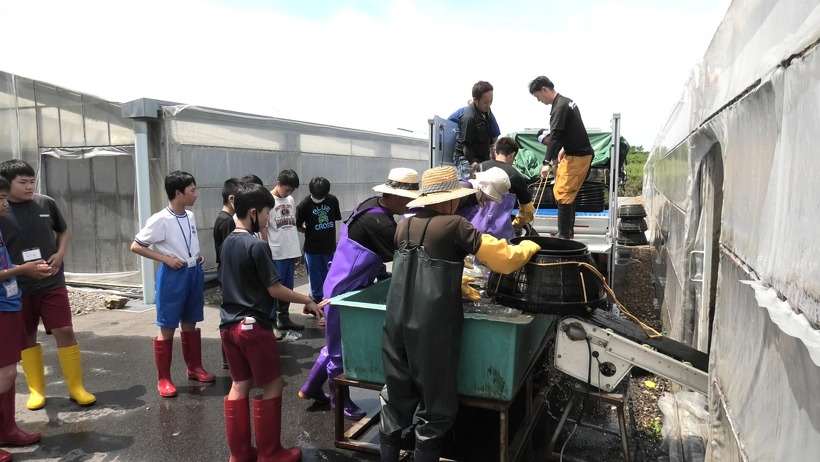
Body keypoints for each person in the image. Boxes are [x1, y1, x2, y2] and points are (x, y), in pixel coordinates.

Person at [378, 166, 540, 462]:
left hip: (395, 322)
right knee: (436, 406)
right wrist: (528, 247)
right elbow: (503, 260)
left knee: (395, 395)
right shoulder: (455, 225)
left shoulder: (404, 225)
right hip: (432, 328)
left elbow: (418, 265)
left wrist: (455, 276)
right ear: (452, 199)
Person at [299, 167, 420, 421]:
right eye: (408, 199)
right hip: (342, 292)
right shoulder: (381, 225)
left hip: (341, 281)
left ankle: (309, 388)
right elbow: (404, 256)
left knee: (334, 343)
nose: (409, 204)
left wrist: (380, 274)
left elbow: (369, 249)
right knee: (339, 351)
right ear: (395, 196)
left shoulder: (371, 205)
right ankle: (338, 401)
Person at [218, 182, 326, 462]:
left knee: (239, 384)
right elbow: (274, 289)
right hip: (254, 328)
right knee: (274, 384)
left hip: (228, 326)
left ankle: (240, 454)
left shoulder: (228, 242)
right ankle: (270, 453)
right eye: (267, 213)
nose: (268, 219)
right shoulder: (256, 246)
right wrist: (307, 300)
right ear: (254, 212)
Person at [0, 160, 96, 410]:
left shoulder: (46, 203)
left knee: (65, 329)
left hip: (52, 280)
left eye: (32, 181)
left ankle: (76, 388)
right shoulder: (2, 210)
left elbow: (63, 231)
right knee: (27, 336)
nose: (29, 186)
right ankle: (36, 390)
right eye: (23, 182)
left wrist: (60, 254)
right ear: (6, 184)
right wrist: (21, 270)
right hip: (18, 286)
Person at [130, 170, 215, 398]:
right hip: (173, 275)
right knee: (167, 325)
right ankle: (164, 378)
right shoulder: (160, 219)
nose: (196, 194)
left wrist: (197, 254)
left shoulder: (190, 216)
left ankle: (194, 368)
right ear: (178, 193)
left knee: (190, 321)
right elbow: (136, 246)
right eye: (192, 190)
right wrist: (165, 259)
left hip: (193, 272)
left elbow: (189, 242)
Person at [0, 176, 50, 460]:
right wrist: (22, 270)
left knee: (8, 369)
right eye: (1, 198)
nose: (6, 203)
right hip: (2, 306)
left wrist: (23, 267)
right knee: (5, 373)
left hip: (9, 303)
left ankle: (7, 428)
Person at [530, 76, 593, 239]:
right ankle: (567, 232)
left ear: (544, 90)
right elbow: (573, 129)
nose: (538, 100)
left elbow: (555, 137)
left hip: (578, 155)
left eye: (537, 96)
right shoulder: (566, 102)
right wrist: (565, 148)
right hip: (575, 153)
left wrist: (546, 163)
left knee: (564, 192)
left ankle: (564, 235)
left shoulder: (559, 107)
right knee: (564, 191)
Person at [474, 137, 536, 240]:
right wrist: (516, 224)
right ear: (512, 155)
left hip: (475, 227)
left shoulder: (480, 168)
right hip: (500, 232)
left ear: (496, 152)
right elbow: (528, 211)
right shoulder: (516, 175)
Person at [266, 169, 304, 332]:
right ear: (278, 183)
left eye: (291, 190)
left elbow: (292, 225)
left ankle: (284, 318)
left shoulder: (290, 200)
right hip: (276, 252)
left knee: (288, 286)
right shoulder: (267, 200)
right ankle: (271, 322)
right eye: (287, 189)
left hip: (290, 250)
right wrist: (264, 251)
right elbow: (264, 228)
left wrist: (296, 251)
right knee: (276, 288)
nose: (289, 193)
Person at [295, 177, 341, 307]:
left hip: (328, 246)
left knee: (328, 275)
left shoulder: (332, 200)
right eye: (316, 197)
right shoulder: (304, 205)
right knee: (315, 277)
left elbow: (335, 218)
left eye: (322, 196)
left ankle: (328, 302)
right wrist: (309, 231)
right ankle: (315, 302)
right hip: (312, 248)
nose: (319, 198)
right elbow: (298, 225)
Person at [213, 177, 241, 369]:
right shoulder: (227, 222)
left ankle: (230, 358)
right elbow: (230, 252)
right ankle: (229, 358)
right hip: (229, 276)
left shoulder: (224, 220)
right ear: (231, 198)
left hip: (226, 274)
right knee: (231, 317)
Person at [453, 81, 495, 180]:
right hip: (466, 157)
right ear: (475, 100)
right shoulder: (468, 118)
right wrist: (474, 164)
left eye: (491, 101)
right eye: (485, 102)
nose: (488, 105)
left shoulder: (486, 111)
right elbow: (465, 145)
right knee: (471, 184)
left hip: (481, 157)